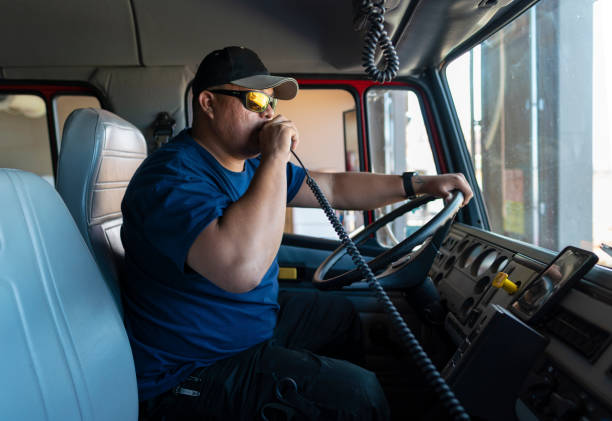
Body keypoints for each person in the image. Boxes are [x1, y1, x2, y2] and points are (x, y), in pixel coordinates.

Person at [120, 46, 473, 420]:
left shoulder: (250, 167)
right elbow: (241, 269)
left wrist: (420, 184)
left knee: (336, 315)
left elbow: (335, 187)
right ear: (208, 102)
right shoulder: (170, 178)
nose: (269, 112)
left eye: (270, 102)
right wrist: (274, 157)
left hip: (248, 331)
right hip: (188, 372)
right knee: (357, 394)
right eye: (255, 99)